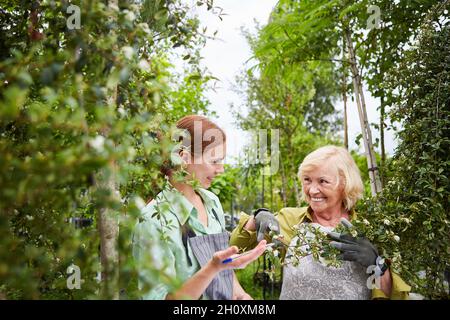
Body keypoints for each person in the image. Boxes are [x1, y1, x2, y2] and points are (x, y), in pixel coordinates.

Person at [230, 145, 411, 299]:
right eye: (307, 180)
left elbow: (395, 296)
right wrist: (255, 219)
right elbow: (232, 255)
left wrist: (377, 264)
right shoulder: (290, 220)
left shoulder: (372, 230)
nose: (313, 190)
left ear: (345, 184)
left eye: (323, 181)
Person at [132, 115, 267, 300]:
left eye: (222, 160)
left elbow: (224, 268)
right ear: (183, 158)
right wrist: (212, 268)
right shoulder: (153, 221)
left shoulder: (212, 203)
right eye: (214, 161)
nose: (221, 169)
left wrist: (240, 295)